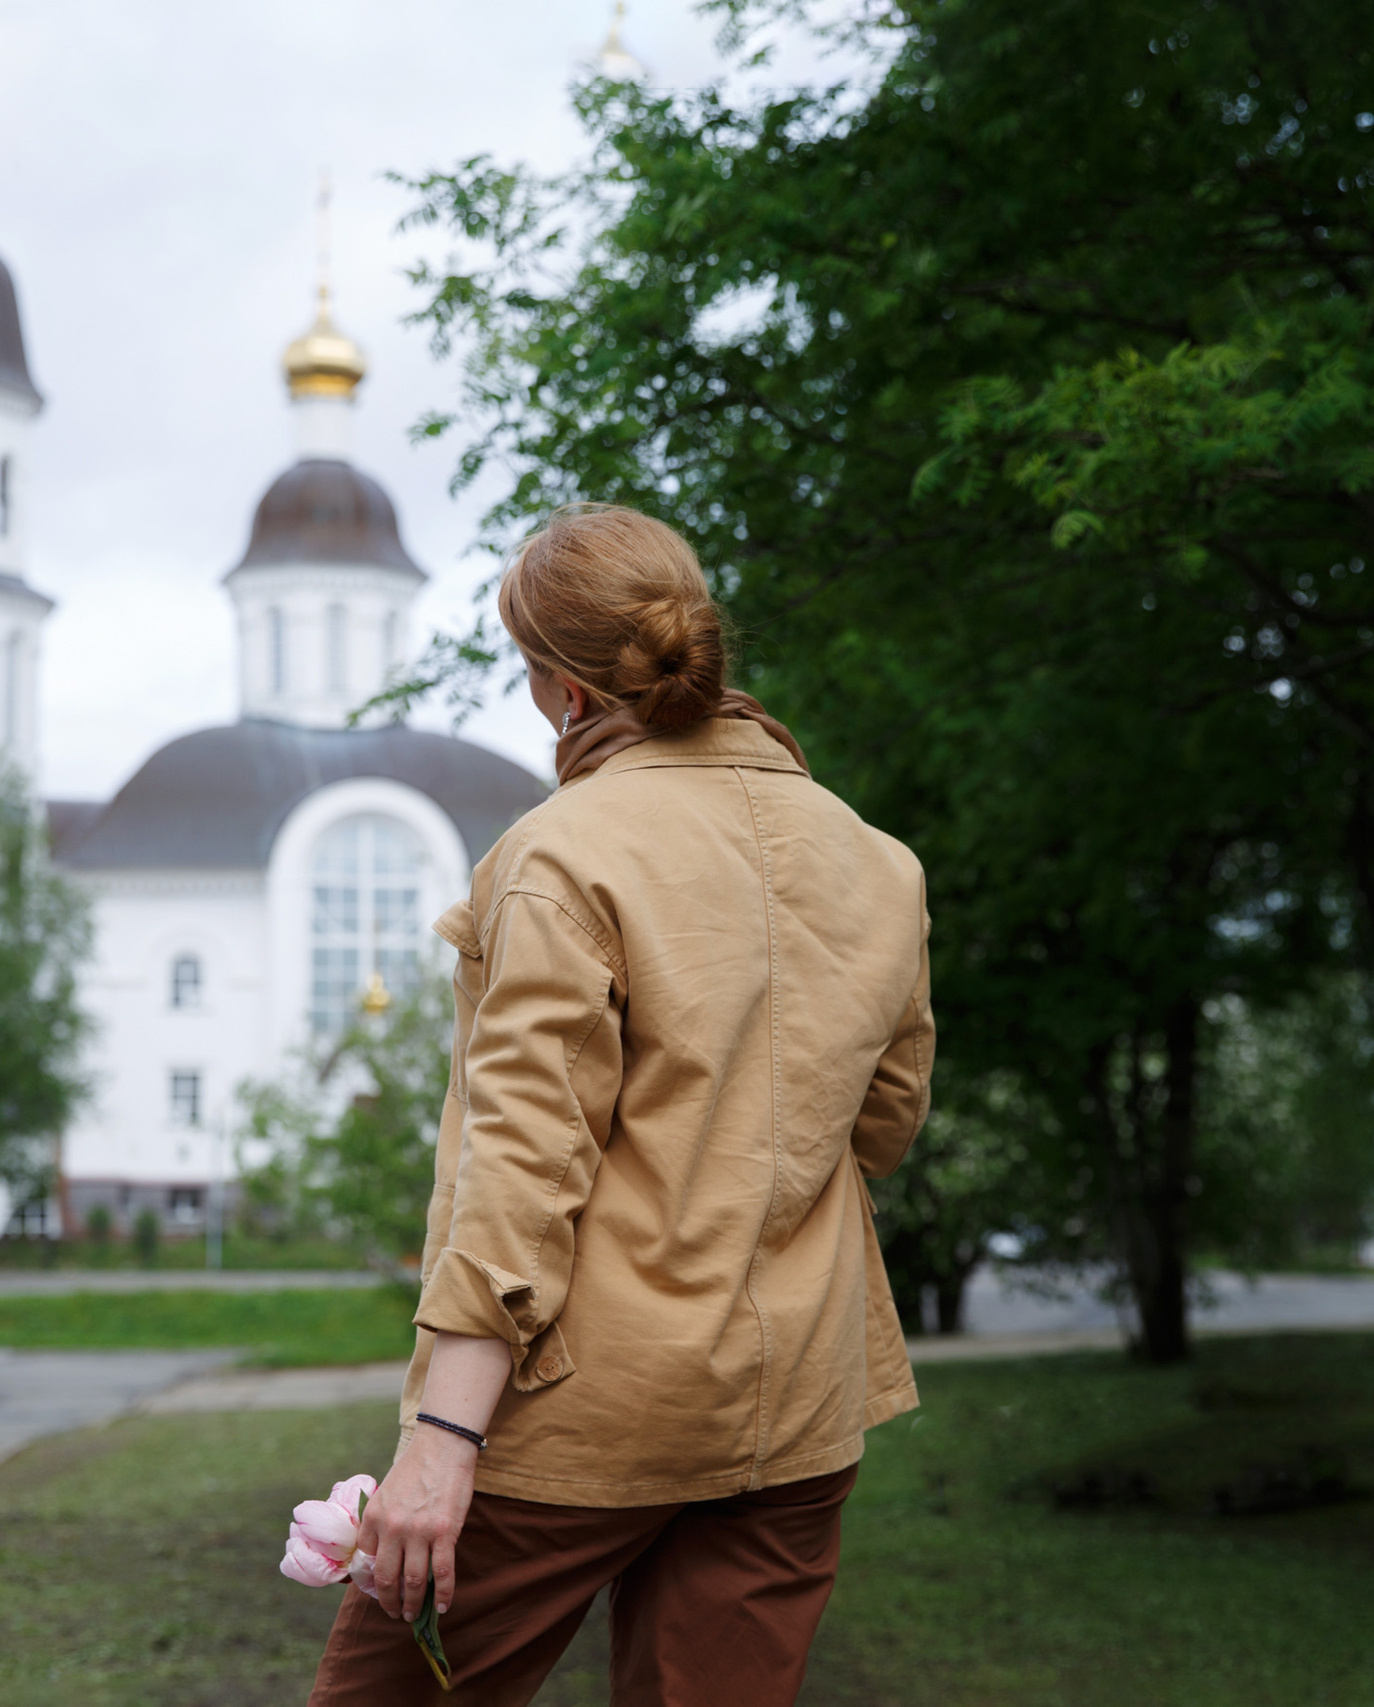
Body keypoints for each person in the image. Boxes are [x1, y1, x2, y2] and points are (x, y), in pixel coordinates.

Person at [307, 504, 934, 1706]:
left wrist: (441, 1448)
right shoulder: (878, 863)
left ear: (564, 693)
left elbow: (522, 1175)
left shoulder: (561, 855)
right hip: (791, 1413)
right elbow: (885, 1125)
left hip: (578, 1425)